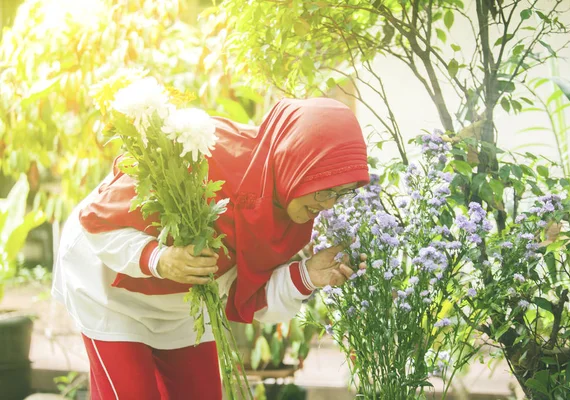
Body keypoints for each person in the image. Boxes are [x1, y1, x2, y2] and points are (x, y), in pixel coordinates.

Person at [52, 97, 369, 400]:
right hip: (109, 289)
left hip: (185, 306)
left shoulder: (292, 214)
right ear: (296, 161)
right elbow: (98, 220)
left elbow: (247, 298)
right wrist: (160, 259)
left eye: (342, 192)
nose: (328, 205)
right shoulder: (203, 151)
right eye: (324, 189)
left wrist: (308, 275)